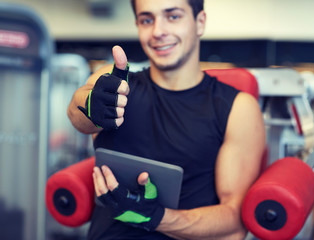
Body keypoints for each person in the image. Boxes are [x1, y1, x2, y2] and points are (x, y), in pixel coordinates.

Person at [67, 0, 266, 239]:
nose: (158, 31)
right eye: (147, 20)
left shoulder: (237, 107)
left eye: (173, 16)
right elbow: (77, 113)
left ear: (199, 22)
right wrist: (92, 105)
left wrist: (156, 217)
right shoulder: (116, 85)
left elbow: (234, 220)